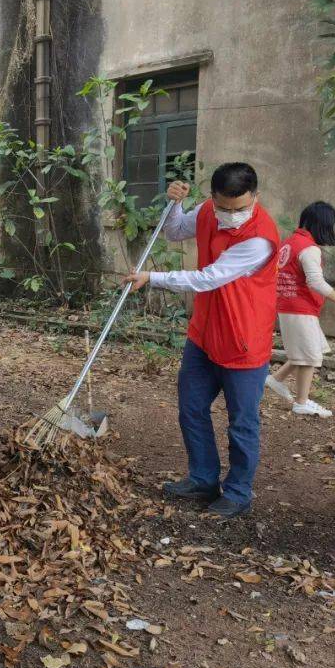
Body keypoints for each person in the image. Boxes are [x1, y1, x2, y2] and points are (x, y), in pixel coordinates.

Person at [125, 163, 280, 519]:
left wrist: (152, 277)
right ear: (213, 198)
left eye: (239, 208)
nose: (230, 216)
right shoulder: (210, 211)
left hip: (243, 342)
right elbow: (176, 231)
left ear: (255, 198)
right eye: (224, 207)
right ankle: (202, 479)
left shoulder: (259, 238)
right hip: (205, 334)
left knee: (242, 423)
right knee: (191, 408)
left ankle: (238, 492)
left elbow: (209, 278)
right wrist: (173, 205)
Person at [265, 201, 335, 417]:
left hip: (287, 304)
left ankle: (277, 379)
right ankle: (301, 402)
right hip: (300, 307)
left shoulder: (289, 242)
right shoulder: (309, 248)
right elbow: (316, 283)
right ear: (324, 225)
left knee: (313, 348)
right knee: (309, 356)